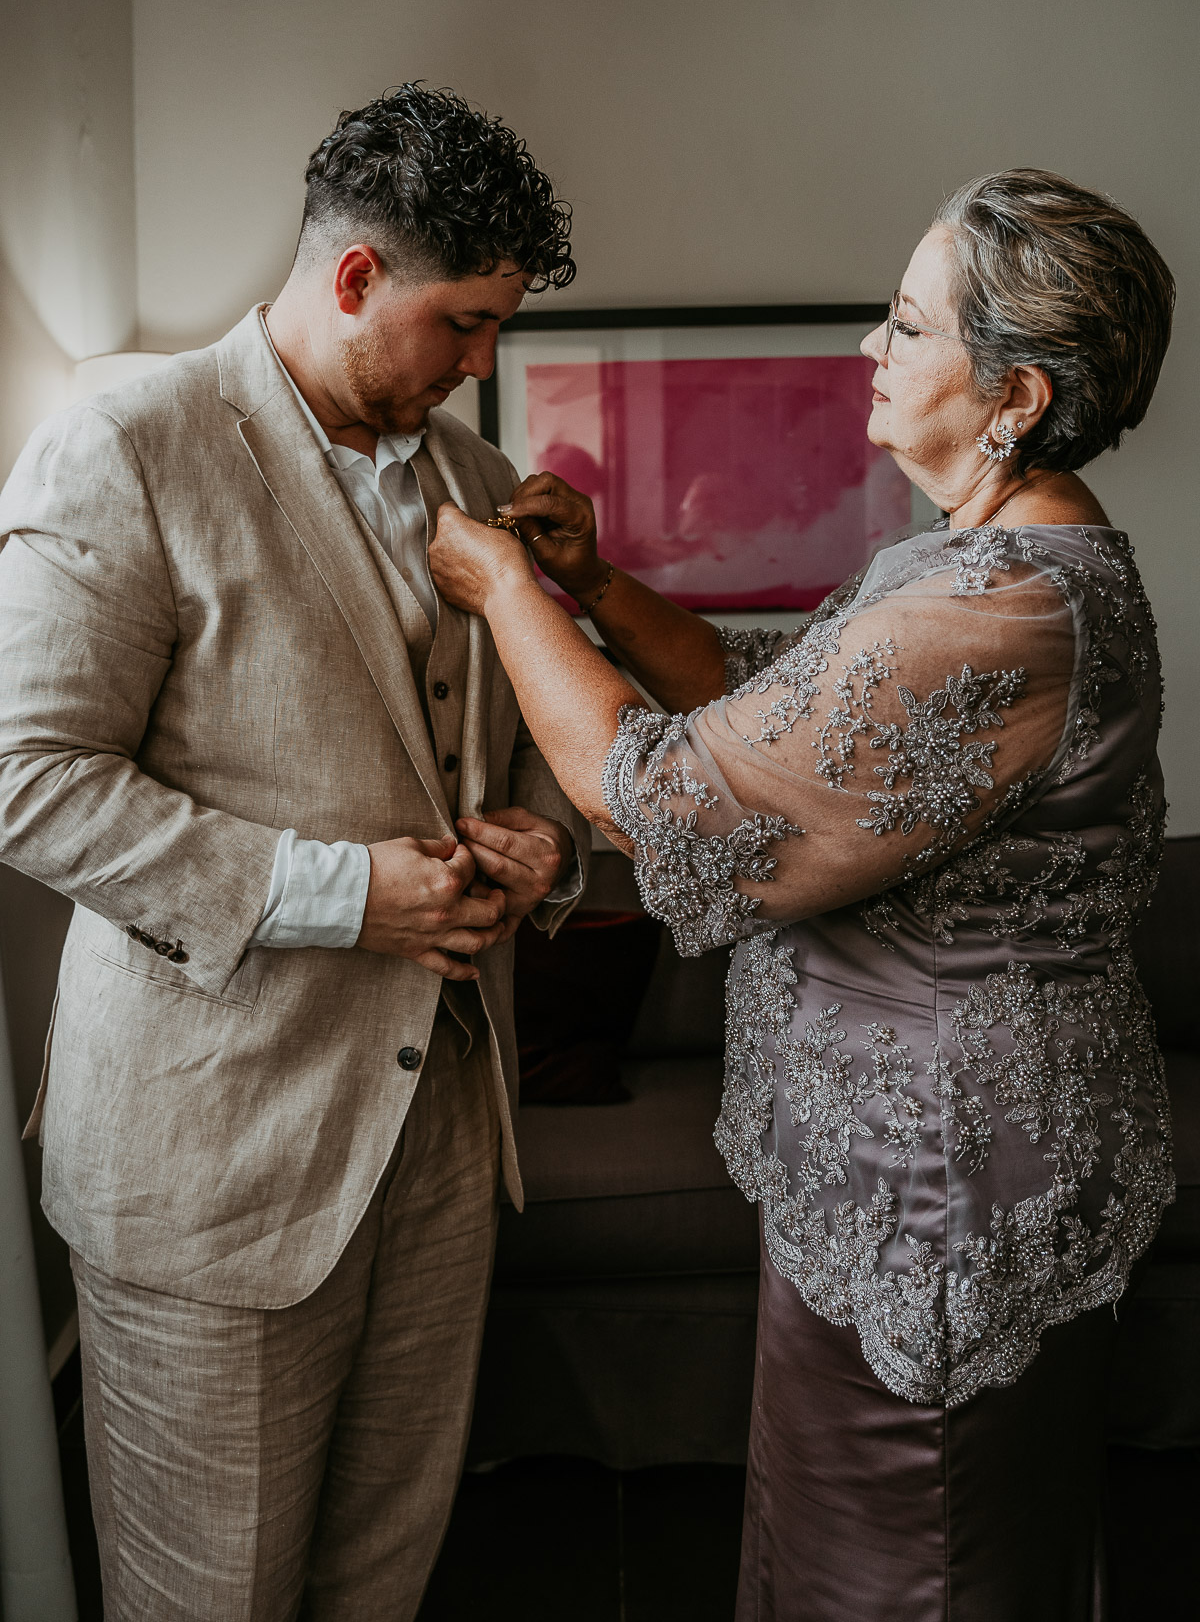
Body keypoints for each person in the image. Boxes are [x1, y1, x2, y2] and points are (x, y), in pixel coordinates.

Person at [428, 168, 1175, 1621]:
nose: (868, 352)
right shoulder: (975, 553)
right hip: (913, 1159)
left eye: (906, 326)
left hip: (941, 1191)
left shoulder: (1003, 602)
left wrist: (505, 594)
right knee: (861, 1543)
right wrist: (601, 590)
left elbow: (672, 803)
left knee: (914, 1563)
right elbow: (781, 719)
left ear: (1015, 393)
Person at [0, 85, 589, 1620]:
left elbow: (518, 754)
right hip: (218, 1155)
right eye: (464, 323)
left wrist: (545, 845)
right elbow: (26, 778)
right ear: (352, 279)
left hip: (443, 1132)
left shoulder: (470, 479)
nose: (484, 364)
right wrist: (341, 896)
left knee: (380, 1579)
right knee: (214, 1598)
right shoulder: (123, 444)